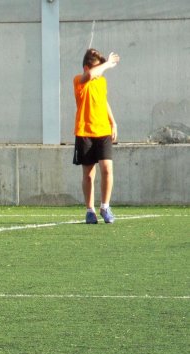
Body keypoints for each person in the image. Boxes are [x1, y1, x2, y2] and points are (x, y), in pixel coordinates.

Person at [73, 48, 120, 224]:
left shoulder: (101, 81)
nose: (100, 71)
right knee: (89, 174)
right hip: (85, 132)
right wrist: (107, 64)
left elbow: (103, 101)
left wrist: (113, 122)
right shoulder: (79, 80)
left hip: (103, 132)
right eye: (96, 68)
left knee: (107, 169)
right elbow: (88, 77)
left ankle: (105, 206)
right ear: (86, 68)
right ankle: (90, 210)